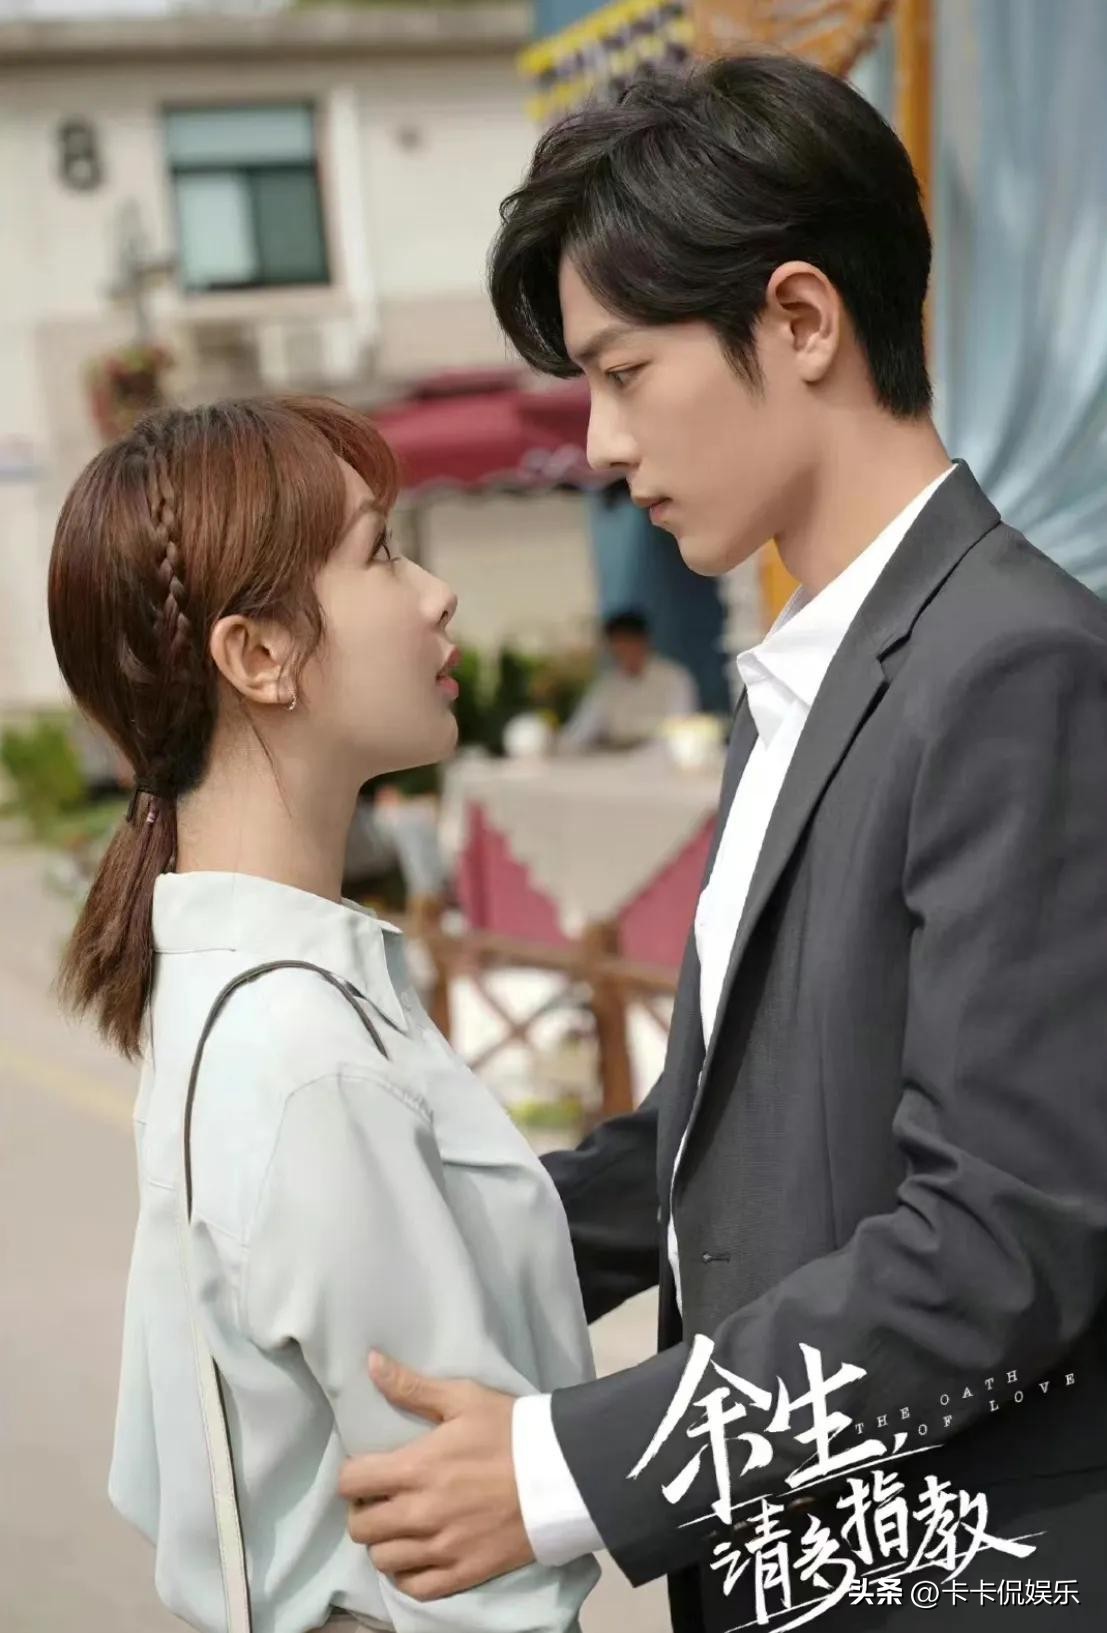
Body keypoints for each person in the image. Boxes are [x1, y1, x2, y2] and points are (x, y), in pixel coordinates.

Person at [339, 53, 1107, 1632]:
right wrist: (398, 1252)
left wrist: (562, 1467)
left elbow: (997, 1242)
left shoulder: (1014, 669)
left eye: (623, 372)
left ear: (800, 319)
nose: (603, 444)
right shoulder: (806, 679)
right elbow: (716, 1142)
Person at [48, 398, 599, 1633]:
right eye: (380, 553)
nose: (438, 593)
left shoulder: (225, 992)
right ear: (259, 656)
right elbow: (475, 1574)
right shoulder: (308, 1057)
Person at [559, 609, 698, 750]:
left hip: (663, 755)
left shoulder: (674, 678)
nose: (624, 649)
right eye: (618, 643)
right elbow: (581, 729)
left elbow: (680, 728)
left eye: (629, 641)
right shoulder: (607, 685)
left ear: (644, 640)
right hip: (615, 755)